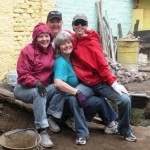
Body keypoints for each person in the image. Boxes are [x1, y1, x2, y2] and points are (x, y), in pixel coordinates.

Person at [70, 13, 137, 142]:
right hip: (86, 84)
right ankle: (81, 133)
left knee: (125, 100)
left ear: (86, 26)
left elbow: (103, 66)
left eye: (82, 23)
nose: (79, 26)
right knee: (74, 98)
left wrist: (114, 84)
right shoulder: (72, 40)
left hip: (101, 82)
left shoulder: (92, 43)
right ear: (72, 25)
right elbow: (59, 39)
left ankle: (125, 130)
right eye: (76, 23)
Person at [53, 31, 118, 143]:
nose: (67, 45)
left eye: (69, 42)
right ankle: (82, 133)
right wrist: (76, 92)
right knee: (74, 99)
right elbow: (58, 83)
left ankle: (111, 123)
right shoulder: (60, 62)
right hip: (65, 103)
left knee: (99, 100)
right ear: (58, 47)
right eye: (63, 44)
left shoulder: (72, 59)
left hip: (75, 98)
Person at [13, 22, 66, 148]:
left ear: (50, 37)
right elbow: (22, 74)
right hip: (24, 88)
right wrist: (36, 83)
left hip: (44, 86)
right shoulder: (27, 51)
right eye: (40, 36)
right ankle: (41, 131)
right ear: (35, 38)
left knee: (61, 87)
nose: (44, 39)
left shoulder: (52, 51)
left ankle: (51, 117)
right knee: (39, 93)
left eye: (46, 36)